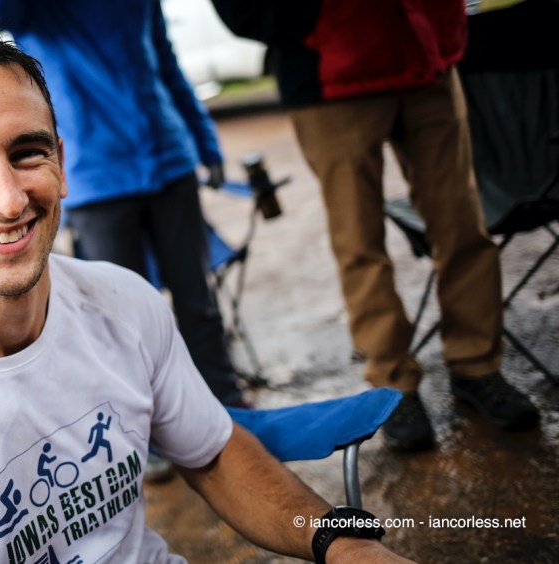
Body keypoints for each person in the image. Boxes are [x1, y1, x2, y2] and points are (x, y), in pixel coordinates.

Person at [0, 30, 411, 563]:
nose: (9, 199)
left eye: (28, 153)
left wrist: (345, 543)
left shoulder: (123, 303)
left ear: (62, 163)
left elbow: (213, 452)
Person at [210, 0, 540, 451]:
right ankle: (392, 384)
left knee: (463, 228)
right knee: (359, 244)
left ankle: (477, 366)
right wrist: (317, 23)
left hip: (427, 57)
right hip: (332, 74)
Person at [0, 0, 246, 408]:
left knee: (198, 302)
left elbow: (166, 62)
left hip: (170, 161)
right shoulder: (38, 10)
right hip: (97, 179)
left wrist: (205, 141)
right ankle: (144, 420)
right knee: (119, 317)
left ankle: (228, 407)